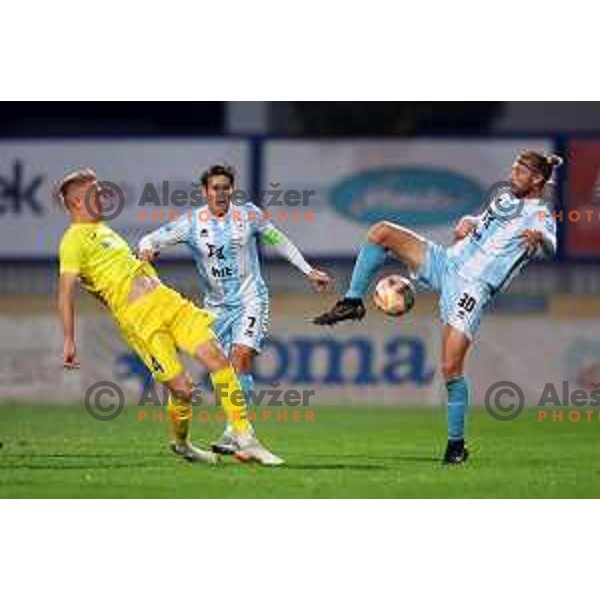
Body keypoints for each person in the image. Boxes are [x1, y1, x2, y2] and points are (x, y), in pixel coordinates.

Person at [313, 150, 562, 464]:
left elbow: (552, 247)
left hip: (471, 288)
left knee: (449, 368)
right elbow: (483, 223)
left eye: (520, 170)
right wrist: (467, 221)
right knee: (381, 232)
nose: (513, 175)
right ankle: (351, 301)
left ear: (537, 178)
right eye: (513, 168)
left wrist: (540, 238)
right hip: (448, 261)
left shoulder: (539, 214)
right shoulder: (504, 197)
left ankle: (456, 446)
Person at [57, 167, 283, 467]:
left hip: (168, 301)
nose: (102, 195)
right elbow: (66, 291)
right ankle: (183, 444)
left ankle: (245, 438)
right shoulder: (72, 240)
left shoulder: (105, 231)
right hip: (142, 321)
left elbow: (101, 282)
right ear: (75, 203)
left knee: (217, 359)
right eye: (93, 193)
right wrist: (70, 339)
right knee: (183, 390)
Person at [139, 164, 330, 455]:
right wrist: (146, 251)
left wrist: (308, 270)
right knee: (225, 368)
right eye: (215, 188)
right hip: (215, 309)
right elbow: (149, 239)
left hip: (250, 298)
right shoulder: (191, 223)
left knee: (241, 357)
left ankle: (234, 432)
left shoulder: (248, 214)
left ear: (232, 190)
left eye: (226, 187)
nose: (221, 193)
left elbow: (278, 239)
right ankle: (237, 427)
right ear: (205, 192)